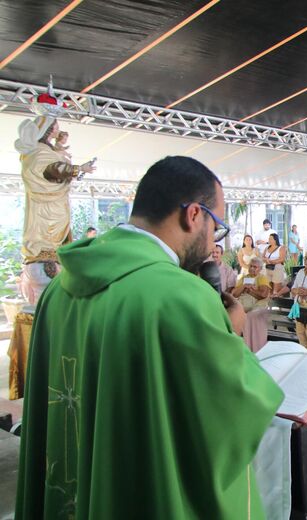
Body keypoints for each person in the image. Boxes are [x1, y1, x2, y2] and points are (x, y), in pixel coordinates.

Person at [16, 155, 282, 518]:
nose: (212, 244)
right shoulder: (181, 297)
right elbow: (235, 413)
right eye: (216, 227)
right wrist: (231, 332)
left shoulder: (58, 289)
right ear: (193, 215)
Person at [16, 115, 96, 304]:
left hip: (50, 207)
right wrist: (79, 169)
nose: (58, 129)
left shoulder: (41, 151)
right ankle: (46, 254)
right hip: (47, 212)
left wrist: (60, 148)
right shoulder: (40, 153)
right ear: (48, 129)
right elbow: (54, 170)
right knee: (48, 234)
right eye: (56, 126)